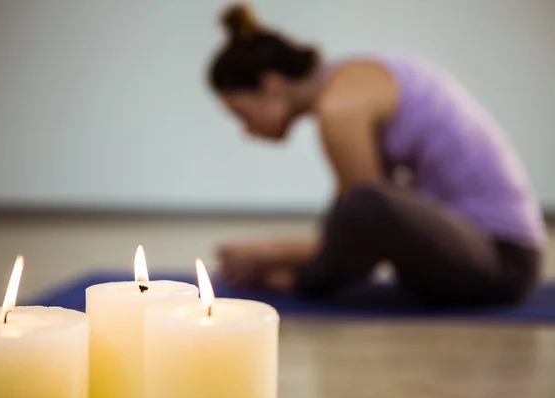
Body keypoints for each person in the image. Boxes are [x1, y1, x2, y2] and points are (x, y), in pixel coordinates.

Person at [206, 3, 545, 308]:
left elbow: (365, 220)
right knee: (360, 205)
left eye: (241, 113)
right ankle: (300, 277)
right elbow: (346, 223)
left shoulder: (339, 108)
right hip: (470, 250)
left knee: (366, 204)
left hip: (503, 263)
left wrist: (268, 252)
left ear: (271, 85)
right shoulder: (350, 79)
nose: (245, 129)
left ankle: (300, 283)